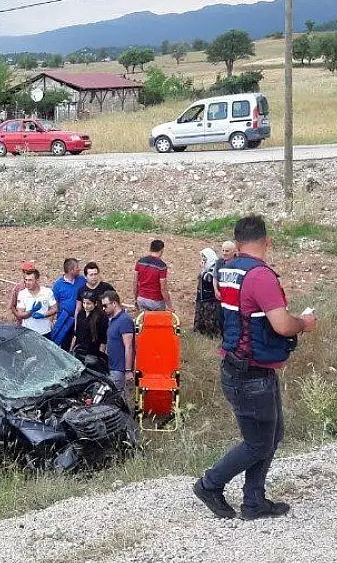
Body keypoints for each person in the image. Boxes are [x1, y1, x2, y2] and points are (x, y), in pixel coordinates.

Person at [194, 216, 317, 521]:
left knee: (271, 436)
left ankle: (254, 500)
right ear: (268, 241)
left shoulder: (228, 269)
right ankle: (210, 484)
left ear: (236, 244)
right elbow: (282, 324)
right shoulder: (261, 276)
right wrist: (304, 323)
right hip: (250, 372)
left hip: (243, 366)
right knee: (258, 442)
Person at [102, 291, 135, 391]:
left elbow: (129, 347)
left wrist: (128, 370)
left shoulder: (124, 320)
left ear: (114, 303)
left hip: (119, 369)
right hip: (112, 367)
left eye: (105, 305)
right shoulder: (112, 320)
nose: (103, 308)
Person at [49, 258, 84, 348]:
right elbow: (54, 303)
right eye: (77, 268)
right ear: (71, 270)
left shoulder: (82, 280)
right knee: (64, 344)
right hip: (64, 320)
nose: (79, 269)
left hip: (80, 319)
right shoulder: (58, 285)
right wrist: (51, 320)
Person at [71, 292, 109, 373]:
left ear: (95, 304)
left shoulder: (101, 317)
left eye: (88, 303)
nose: (85, 306)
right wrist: (71, 350)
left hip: (92, 352)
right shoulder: (81, 314)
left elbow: (103, 340)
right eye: (84, 303)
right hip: (79, 349)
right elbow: (76, 334)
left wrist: (100, 357)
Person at [16, 269, 58, 338]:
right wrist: (31, 311)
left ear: (37, 280)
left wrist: (43, 315)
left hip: (44, 331)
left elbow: (55, 309)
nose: (27, 282)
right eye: (26, 280)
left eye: (30, 280)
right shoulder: (22, 294)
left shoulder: (47, 292)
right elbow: (20, 314)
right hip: (28, 332)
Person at [134, 239, 173, 312]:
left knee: (144, 322)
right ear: (162, 250)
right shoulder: (162, 266)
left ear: (150, 249)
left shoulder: (140, 262)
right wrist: (169, 306)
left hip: (141, 299)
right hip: (156, 302)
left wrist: (136, 299)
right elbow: (163, 288)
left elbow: (135, 282)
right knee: (157, 322)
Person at [194, 247, 223, 337]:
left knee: (210, 317)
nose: (203, 258)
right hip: (202, 297)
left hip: (210, 298)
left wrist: (203, 270)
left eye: (204, 256)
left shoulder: (215, 266)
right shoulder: (207, 266)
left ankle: (212, 335)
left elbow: (209, 278)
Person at [8, 261, 38, 325]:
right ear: (23, 272)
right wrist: (20, 318)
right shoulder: (18, 288)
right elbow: (12, 306)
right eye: (27, 272)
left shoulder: (39, 288)